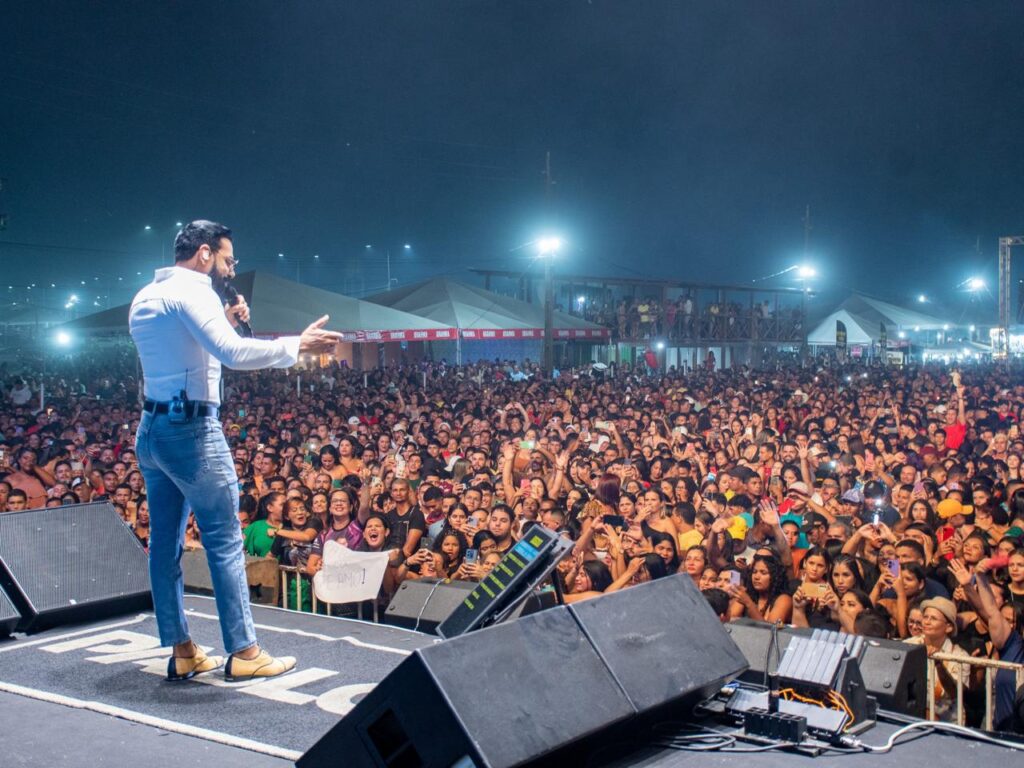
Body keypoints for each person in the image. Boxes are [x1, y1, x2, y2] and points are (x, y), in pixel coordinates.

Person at [130, 220, 340, 682]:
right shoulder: (196, 291)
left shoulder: (147, 294)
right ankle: (245, 652)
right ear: (205, 253)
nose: (231, 267)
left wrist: (223, 323)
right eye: (228, 258)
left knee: (163, 545)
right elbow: (234, 355)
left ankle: (183, 651)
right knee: (225, 541)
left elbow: (183, 351)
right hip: (192, 430)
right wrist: (297, 344)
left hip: (152, 429)